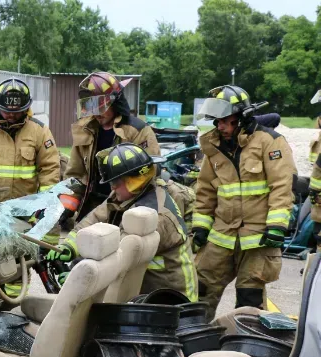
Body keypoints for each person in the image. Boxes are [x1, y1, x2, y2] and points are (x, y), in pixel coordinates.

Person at [192, 85, 296, 317]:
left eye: (224, 120)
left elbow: (281, 185)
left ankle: (244, 338)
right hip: (222, 235)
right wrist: (200, 226)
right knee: (201, 290)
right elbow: (205, 190)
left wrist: (277, 225)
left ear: (242, 117)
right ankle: (193, 336)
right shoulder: (213, 147)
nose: (219, 126)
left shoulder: (269, 142)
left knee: (249, 300)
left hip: (258, 237)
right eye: (216, 121)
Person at [47, 143, 198, 301]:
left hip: (173, 297)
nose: (112, 187)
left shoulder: (151, 216)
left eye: (116, 182)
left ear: (133, 181)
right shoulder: (128, 195)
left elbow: (118, 255)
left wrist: (83, 276)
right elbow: (95, 218)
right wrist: (71, 245)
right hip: (146, 292)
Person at [59, 72, 160, 224]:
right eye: (92, 106)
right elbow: (75, 174)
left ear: (116, 102)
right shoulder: (85, 130)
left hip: (127, 206)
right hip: (92, 204)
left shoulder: (138, 131)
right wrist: (67, 205)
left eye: (102, 106)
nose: (97, 112)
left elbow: (151, 173)